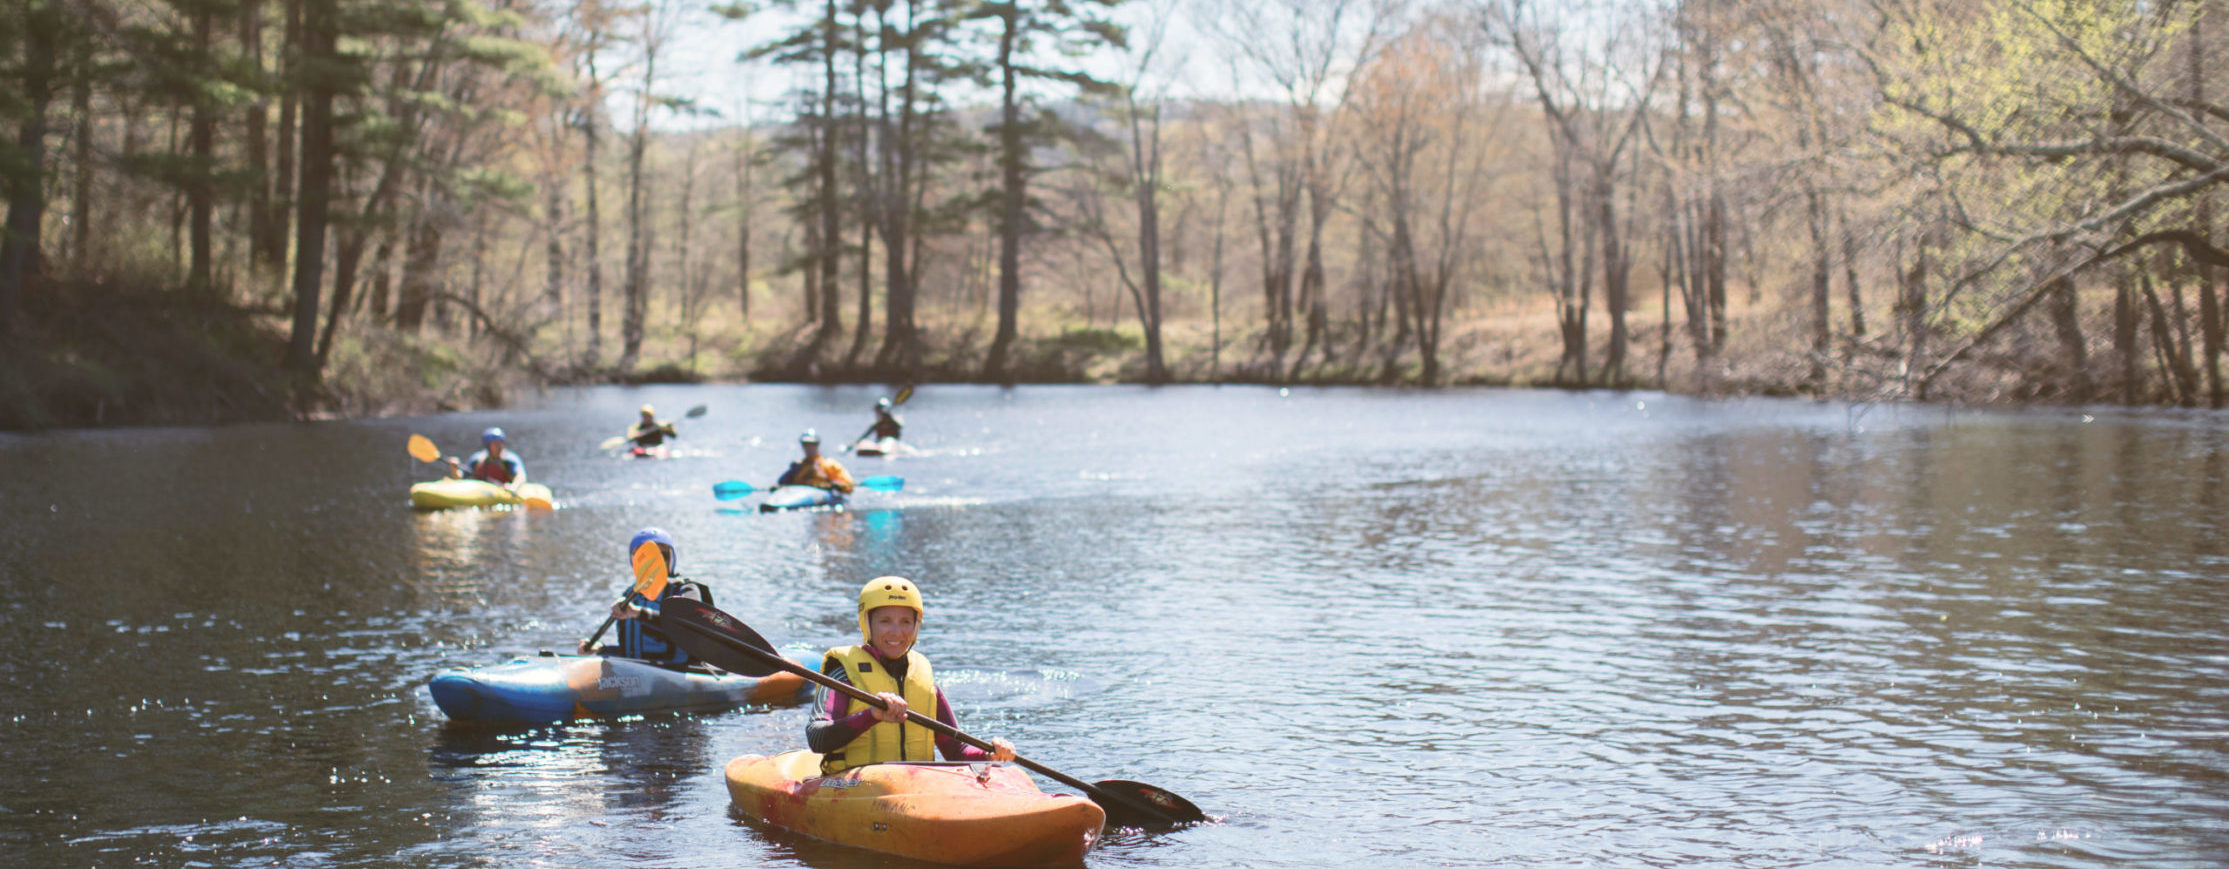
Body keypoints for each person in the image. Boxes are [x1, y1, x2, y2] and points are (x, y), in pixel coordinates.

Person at [807, 576, 1015, 773]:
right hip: (855, 788)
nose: (897, 632)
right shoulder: (843, 672)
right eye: (885, 621)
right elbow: (817, 738)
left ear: (916, 626)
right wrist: (872, 715)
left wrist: (989, 755)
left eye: (906, 621)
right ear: (867, 623)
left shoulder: (923, 676)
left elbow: (955, 750)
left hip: (914, 787)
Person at [578, 527, 711, 666]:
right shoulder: (629, 596)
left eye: (663, 555)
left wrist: (638, 613)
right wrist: (602, 649)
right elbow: (631, 653)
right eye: (647, 558)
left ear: (672, 559)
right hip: (638, 675)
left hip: (678, 672)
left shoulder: (686, 590)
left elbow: (687, 626)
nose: (658, 562)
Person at [777, 430, 857, 493]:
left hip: (823, 494)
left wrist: (838, 485)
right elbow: (782, 483)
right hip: (801, 495)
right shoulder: (798, 466)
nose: (808, 447)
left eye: (812, 444)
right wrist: (777, 487)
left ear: (817, 445)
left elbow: (849, 486)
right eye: (805, 444)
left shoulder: (830, 464)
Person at [447, 427, 526, 484]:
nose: (500, 446)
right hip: (481, 491)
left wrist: (514, 487)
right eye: (496, 444)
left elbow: (521, 476)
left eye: (500, 443)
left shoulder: (509, 460)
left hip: (505, 489)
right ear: (488, 445)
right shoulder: (477, 459)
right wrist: (454, 468)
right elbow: (460, 478)